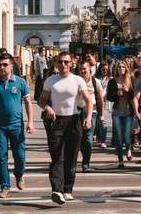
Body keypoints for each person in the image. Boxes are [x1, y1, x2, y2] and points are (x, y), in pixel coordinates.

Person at [38, 52, 93, 205]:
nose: (63, 65)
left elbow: (89, 100)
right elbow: (41, 100)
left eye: (66, 62)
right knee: (57, 156)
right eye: (60, 62)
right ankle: (57, 190)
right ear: (56, 63)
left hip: (74, 119)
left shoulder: (77, 80)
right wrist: (47, 107)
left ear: (71, 64)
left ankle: (68, 189)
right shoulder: (50, 81)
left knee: (71, 156)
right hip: (57, 120)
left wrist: (88, 118)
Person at [0, 53, 34, 198]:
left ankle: (19, 175)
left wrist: (30, 122)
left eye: (5, 65)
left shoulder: (20, 82)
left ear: (11, 66)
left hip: (16, 126)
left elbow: (28, 103)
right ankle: (5, 186)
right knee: (1, 157)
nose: (2, 67)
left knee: (20, 156)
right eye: (0, 65)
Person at [106, 60, 135, 168]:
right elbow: (109, 97)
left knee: (127, 136)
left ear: (126, 68)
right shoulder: (113, 82)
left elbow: (134, 96)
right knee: (118, 137)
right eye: (119, 67)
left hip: (128, 112)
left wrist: (127, 90)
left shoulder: (130, 80)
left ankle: (128, 148)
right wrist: (116, 94)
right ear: (116, 69)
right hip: (117, 112)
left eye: (123, 67)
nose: (121, 69)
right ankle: (120, 159)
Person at [78, 62, 104, 172]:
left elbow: (100, 99)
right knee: (79, 138)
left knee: (88, 138)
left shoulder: (95, 82)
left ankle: (86, 163)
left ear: (90, 70)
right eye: (81, 69)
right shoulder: (76, 81)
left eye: (84, 69)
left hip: (91, 113)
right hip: (77, 112)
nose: (83, 71)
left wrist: (101, 114)